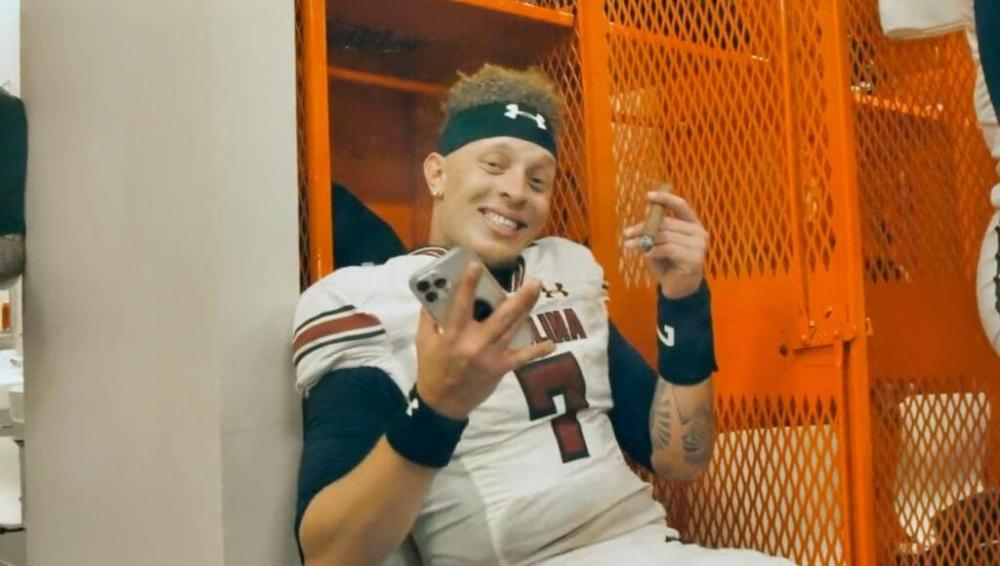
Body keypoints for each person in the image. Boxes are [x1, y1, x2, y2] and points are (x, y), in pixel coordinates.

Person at [293, 65, 795, 565]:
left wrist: (683, 301)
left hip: (646, 547)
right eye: (494, 165)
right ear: (437, 173)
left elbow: (680, 461)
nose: (516, 190)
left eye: (538, 179)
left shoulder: (568, 270)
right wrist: (436, 407)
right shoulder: (366, 300)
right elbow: (329, 556)